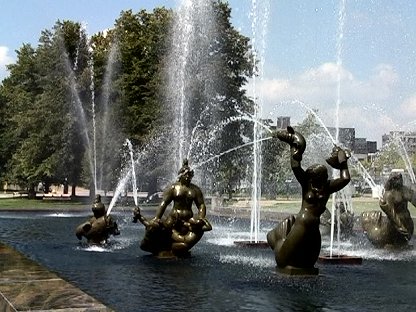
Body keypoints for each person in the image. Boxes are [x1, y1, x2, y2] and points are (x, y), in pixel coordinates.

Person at [267, 127, 351, 272]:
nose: (323, 178)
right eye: (320, 176)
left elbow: (345, 179)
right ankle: (276, 238)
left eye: (324, 176)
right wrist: (294, 146)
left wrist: (343, 162)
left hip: (314, 227)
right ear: (312, 177)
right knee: (282, 260)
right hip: (302, 224)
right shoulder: (306, 184)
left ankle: (282, 241)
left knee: (308, 263)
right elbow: (295, 166)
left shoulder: (327, 187)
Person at [133, 159, 212, 257]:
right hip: (173, 218)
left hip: (187, 219)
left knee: (183, 241)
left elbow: (201, 205)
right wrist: (157, 217)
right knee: (165, 233)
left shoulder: (195, 190)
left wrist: (200, 218)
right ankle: (156, 247)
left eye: (189, 175)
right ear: (180, 175)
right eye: (186, 174)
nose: (188, 177)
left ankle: (173, 251)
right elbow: (164, 203)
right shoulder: (173, 188)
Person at [361, 172, 416, 248]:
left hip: (407, 222)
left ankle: (401, 243)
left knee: (403, 242)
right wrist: (400, 226)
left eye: (400, 178)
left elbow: (413, 199)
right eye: (398, 179)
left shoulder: (404, 190)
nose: (401, 180)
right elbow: (391, 213)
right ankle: (390, 243)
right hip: (394, 226)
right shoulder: (389, 195)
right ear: (393, 180)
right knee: (394, 241)